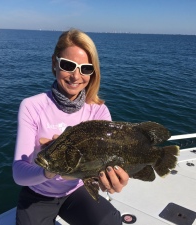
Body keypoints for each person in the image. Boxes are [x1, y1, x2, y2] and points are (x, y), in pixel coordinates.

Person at [12, 28, 129, 225]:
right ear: (54, 63)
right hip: (38, 193)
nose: (76, 76)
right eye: (68, 65)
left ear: (93, 73)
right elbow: (19, 173)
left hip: (77, 189)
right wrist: (49, 170)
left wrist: (111, 178)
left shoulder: (98, 112)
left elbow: (104, 161)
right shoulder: (32, 106)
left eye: (85, 68)